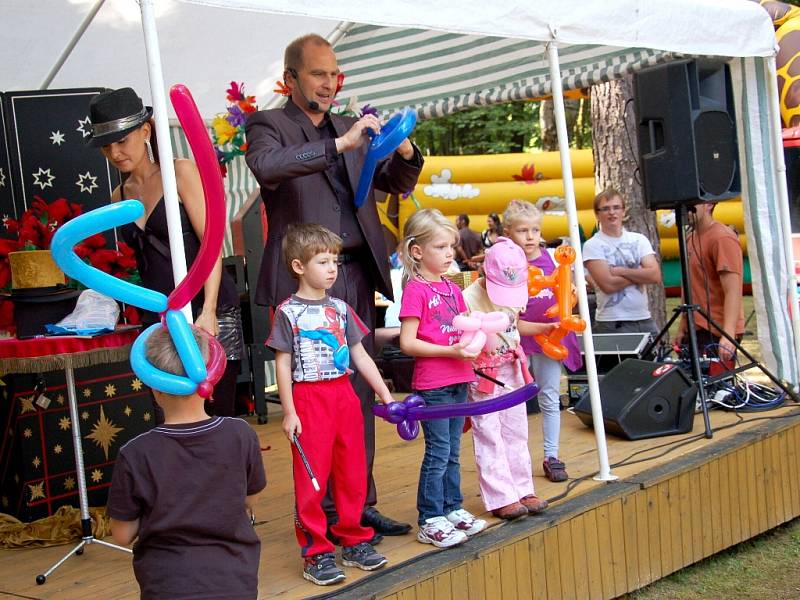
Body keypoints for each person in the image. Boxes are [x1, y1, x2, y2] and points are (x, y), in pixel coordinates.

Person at [245, 33, 422, 538]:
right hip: (302, 282)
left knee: (359, 393)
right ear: (291, 79)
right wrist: (336, 146)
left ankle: (358, 504)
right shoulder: (269, 124)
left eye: (334, 74)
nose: (329, 83)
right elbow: (266, 168)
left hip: (354, 273)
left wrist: (405, 148)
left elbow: (397, 182)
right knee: (312, 396)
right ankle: (317, 512)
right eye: (319, 74)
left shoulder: (351, 125)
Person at [87, 87, 244, 418]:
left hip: (208, 309)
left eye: (122, 141)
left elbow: (213, 243)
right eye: (106, 145)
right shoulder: (119, 196)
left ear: (144, 131)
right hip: (161, 320)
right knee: (171, 419)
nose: (115, 152)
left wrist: (210, 310)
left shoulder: (180, 173)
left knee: (217, 415)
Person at [267, 223, 394, 586]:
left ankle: (354, 539)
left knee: (353, 471)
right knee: (312, 477)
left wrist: (385, 396)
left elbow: (361, 355)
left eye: (334, 260)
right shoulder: (287, 312)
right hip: (309, 399)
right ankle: (316, 551)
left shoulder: (340, 309)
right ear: (298, 266)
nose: (332, 268)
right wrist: (289, 411)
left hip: (344, 396)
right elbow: (282, 363)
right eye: (323, 261)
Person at [106, 325, 266, 600]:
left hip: (168, 586)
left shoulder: (135, 453)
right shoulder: (241, 434)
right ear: (209, 375)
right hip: (234, 582)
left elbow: (122, 534)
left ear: (154, 388)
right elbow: (251, 496)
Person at [398, 208, 487, 548]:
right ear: (417, 251)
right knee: (438, 451)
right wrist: (451, 352)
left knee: (452, 451)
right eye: (440, 247)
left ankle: (452, 508)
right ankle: (430, 517)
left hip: (459, 379)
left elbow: (464, 328)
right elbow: (408, 342)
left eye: (451, 246)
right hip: (434, 384)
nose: (450, 253)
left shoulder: (452, 287)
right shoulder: (416, 290)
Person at [462, 236, 551, 519]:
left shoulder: (516, 294)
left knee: (516, 431)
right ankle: (500, 495)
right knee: (489, 432)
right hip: (483, 372)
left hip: (512, 367)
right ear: (484, 273)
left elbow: (515, 325)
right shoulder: (467, 298)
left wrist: (543, 328)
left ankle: (522, 488)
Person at [503, 200, 583, 482]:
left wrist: (570, 292)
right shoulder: (507, 264)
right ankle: (515, 458)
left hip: (550, 340)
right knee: (514, 401)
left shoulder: (553, 258)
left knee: (549, 398)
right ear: (508, 232)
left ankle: (551, 455)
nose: (530, 236)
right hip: (519, 341)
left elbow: (567, 296)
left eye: (535, 230)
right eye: (522, 230)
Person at [582, 188, 662, 335]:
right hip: (612, 322)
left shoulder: (639, 239)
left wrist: (621, 271)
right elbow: (608, 285)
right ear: (597, 214)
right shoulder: (592, 245)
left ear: (624, 211)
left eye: (616, 207)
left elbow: (655, 276)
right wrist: (640, 273)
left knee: (656, 357)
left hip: (644, 318)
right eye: (605, 209)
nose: (612, 212)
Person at [677, 202, 745, 363]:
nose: (686, 209)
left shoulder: (722, 238)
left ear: (709, 205)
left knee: (718, 386)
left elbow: (733, 291)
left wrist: (728, 335)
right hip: (695, 329)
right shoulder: (690, 238)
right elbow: (689, 287)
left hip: (716, 330)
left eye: (691, 204)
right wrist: (682, 327)